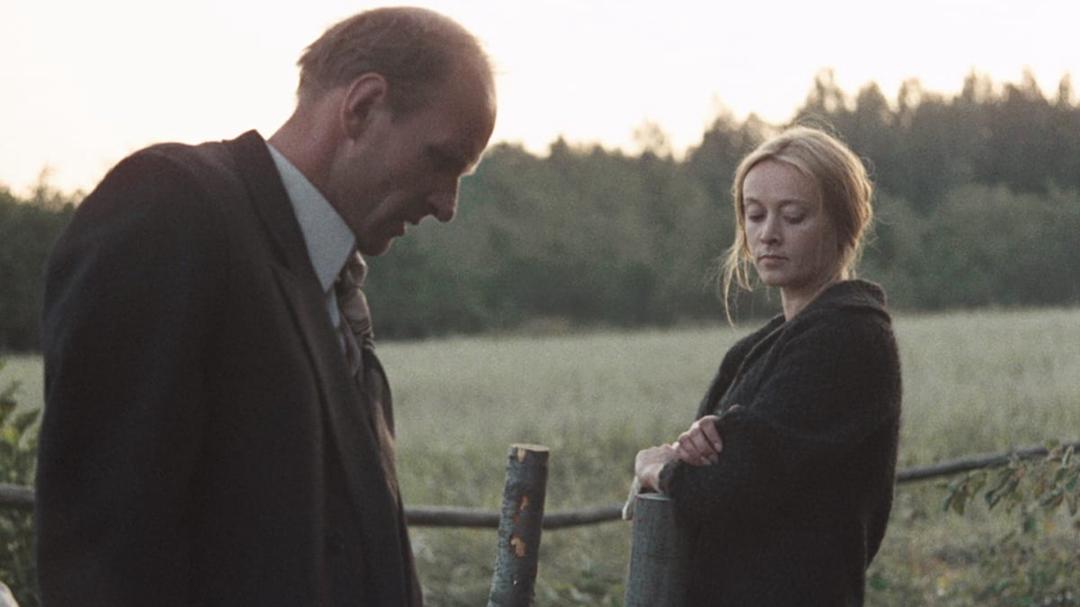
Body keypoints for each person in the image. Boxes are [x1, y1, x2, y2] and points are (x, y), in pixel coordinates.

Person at [36, 7, 496, 606]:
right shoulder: (171, 208)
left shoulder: (331, 284)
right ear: (361, 108)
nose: (447, 205)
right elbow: (104, 551)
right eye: (441, 160)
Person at [632, 126, 902, 605]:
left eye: (793, 216)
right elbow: (719, 477)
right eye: (754, 214)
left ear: (844, 222)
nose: (768, 234)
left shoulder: (849, 338)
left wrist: (660, 469)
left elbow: (725, 487)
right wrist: (693, 460)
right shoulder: (755, 350)